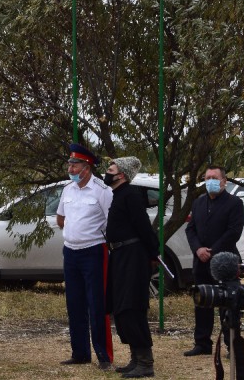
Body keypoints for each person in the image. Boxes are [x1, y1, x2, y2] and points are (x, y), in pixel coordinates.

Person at [56, 143, 113, 369]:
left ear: (87, 167)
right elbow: (61, 218)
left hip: (93, 251)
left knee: (97, 304)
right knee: (74, 303)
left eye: (75, 165)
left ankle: (103, 355)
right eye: (69, 164)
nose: (70, 169)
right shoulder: (67, 190)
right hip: (70, 251)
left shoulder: (102, 190)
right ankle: (80, 352)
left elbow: (111, 222)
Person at [104, 157, 159, 378]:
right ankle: (136, 358)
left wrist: (153, 251)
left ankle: (145, 362)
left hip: (133, 257)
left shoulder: (131, 195)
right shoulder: (119, 194)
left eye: (111, 169)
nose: (107, 172)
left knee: (131, 307)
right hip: (120, 256)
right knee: (121, 307)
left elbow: (143, 226)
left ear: (122, 175)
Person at [184, 165, 244, 357]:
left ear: (224, 181)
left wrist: (212, 251)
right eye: (207, 178)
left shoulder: (234, 203)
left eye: (214, 178)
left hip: (224, 262)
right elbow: (190, 229)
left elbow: (233, 232)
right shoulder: (199, 202)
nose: (210, 181)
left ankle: (231, 345)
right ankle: (202, 343)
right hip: (201, 261)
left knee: (227, 304)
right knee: (202, 301)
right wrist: (198, 249)